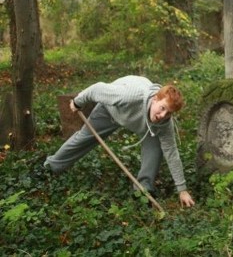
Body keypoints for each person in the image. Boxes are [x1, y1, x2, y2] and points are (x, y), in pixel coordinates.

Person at [44, 75, 195, 208]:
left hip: (146, 124)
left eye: (168, 113)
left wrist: (182, 190)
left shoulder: (163, 123)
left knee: (156, 147)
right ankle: (51, 166)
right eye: (162, 108)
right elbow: (97, 89)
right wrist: (78, 102)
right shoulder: (129, 96)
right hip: (111, 112)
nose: (163, 115)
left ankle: (143, 191)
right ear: (155, 99)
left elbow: (172, 153)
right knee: (83, 138)